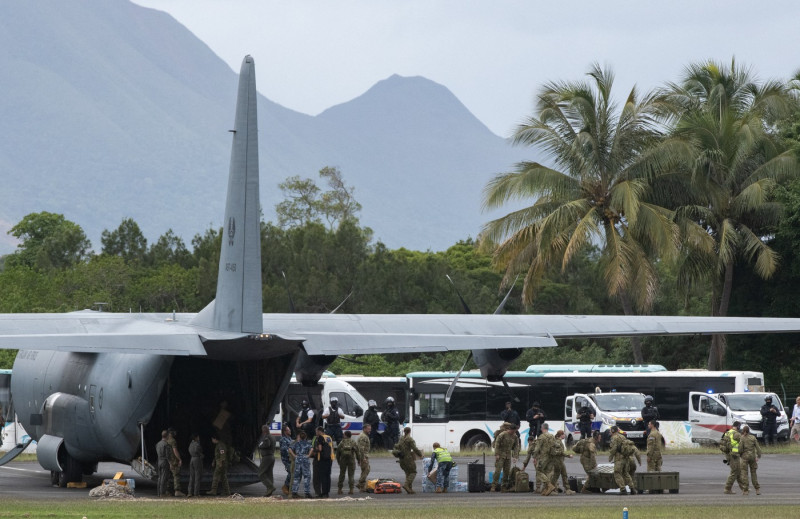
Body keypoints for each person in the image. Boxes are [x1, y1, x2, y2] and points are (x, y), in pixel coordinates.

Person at [608, 426, 637, 495]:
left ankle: (623, 489)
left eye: (610, 430)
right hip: (626, 457)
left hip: (619, 458)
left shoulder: (614, 438)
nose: (609, 432)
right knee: (626, 473)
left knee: (617, 473)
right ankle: (632, 488)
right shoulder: (622, 437)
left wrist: (610, 457)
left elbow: (613, 448)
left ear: (612, 430)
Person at [394, 426, 423, 494]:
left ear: (404, 431)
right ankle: (406, 485)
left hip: (401, 458)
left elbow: (397, 446)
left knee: (408, 473)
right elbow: (414, 448)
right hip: (408, 458)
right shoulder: (410, 439)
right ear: (409, 431)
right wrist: (420, 454)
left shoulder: (401, 438)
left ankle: (409, 489)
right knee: (413, 472)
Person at [491, 423, 519, 492]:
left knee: (506, 472)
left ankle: (504, 486)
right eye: (513, 431)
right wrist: (496, 454)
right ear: (510, 429)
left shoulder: (515, 436)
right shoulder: (502, 435)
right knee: (498, 471)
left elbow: (516, 447)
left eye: (515, 431)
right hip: (500, 455)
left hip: (508, 456)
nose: (513, 432)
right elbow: (497, 444)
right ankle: (493, 486)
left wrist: (515, 456)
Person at [722, 421, 745, 495]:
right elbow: (743, 442)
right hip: (734, 455)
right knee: (735, 471)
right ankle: (727, 488)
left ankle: (744, 488)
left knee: (738, 471)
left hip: (728, 454)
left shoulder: (728, 432)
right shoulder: (736, 434)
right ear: (738, 426)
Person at [533, 423, 556, 495]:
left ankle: (549, 485)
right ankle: (546, 489)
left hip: (544, 457)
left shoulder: (542, 437)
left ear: (542, 428)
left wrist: (534, 456)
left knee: (539, 471)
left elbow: (537, 448)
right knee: (548, 472)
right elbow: (555, 445)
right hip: (551, 456)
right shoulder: (552, 436)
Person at [739, 425, 762, 495]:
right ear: (749, 431)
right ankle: (757, 489)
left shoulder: (742, 438)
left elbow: (740, 449)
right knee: (753, 473)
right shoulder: (753, 438)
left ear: (743, 431)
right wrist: (758, 456)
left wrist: (741, 455)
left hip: (744, 457)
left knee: (744, 474)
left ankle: (745, 490)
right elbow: (758, 448)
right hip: (752, 457)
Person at [550, 430, 575, 494]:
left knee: (564, 475)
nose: (564, 435)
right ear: (561, 435)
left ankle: (567, 489)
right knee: (556, 476)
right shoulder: (558, 442)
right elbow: (560, 453)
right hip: (558, 461)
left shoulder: (559, 441)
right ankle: (551, 489)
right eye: (563, 434)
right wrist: (568, 455)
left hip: (560, 461)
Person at [290, 431, 313, 499]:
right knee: (307, 476)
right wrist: (308, 455)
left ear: (300, 437)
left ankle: (294, 492)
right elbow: (311, 449)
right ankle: (307, 492)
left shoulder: (296, 443)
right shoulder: (308, 443)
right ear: (305, 437)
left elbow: (290, 449)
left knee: (297, 477)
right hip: (305, 459)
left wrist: (294, 456)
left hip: (298, 459)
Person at [313, 426, 335, 498]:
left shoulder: (320, 437)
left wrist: (315, 450)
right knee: (327, 476)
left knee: (322, 477)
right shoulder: (329, 437)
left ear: (319, 431)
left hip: (322, 459)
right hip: (330, 458)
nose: (316, 433)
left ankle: (322, 493)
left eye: (316, 431)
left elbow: (320, 448)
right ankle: (326, 492)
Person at [336, 430, 360, 495]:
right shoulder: (353, 442)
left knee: (342, 474)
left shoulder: (342, 442)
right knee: (351, 475)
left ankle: (339, 489)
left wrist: (338, 460)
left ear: (345, 435)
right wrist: (358, 460)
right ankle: (351, 489)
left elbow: (338, 452)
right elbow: (357, 452)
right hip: (351, 460)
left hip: (343, 460)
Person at [257, 424, 276, 497]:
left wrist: (260, 446)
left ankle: (270, 487)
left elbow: (266, 444)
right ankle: (269, 490)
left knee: (261, 473)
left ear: (264, 431)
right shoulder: (273, 437)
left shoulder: (267, 437)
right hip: (271, 457)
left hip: (266, 457)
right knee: (269, 473)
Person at [167, 428, 185, 497]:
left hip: (168, 461)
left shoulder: (166, 440)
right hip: (173, 461)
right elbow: (175, 451)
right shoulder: (173, 441)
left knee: (167, 476)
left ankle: (166, 490)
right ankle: (177, 491)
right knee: (176, 476)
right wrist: (179, 459)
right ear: (171, 433)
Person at [279, 425, 295, 496]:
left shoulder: (289, 439)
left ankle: (289, 488)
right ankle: (286, 486)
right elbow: (284, 450)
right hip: (287, 459)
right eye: (288, 430)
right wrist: (290, 455)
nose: (290, 431)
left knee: (292, 473)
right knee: (291, 472)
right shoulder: (283, 440)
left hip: (291, 459)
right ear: (285, 431)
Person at [156, 430, 172, 498]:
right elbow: (168, 455)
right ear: (167, 436)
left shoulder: (158, 444)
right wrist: (170, 463)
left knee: (160, 477)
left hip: (159, 460)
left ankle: (159, 492)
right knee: (164, 478)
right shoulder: (166, 444)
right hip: (165, 461)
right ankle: (162, 493)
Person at [187, 433, 204, 498]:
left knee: (192, 476)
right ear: (196, 438)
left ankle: (189, 492)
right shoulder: (197, 444)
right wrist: (201, 455)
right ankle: (196, 493)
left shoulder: (191, 444)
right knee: (197, 476)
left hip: (192, 459)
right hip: (197, 459)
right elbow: (197, 450)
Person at [357, 423, 372, 491]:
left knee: (366, 469)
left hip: (364, 455)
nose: (370, 430)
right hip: (363, 456)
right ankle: (361, 485)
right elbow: (361, 449)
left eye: (370, 429)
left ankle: (361, 485)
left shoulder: (364, 436)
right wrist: (363, 458)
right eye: (368, 429)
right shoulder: (363, 437)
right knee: (366, 470)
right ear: (364, 429)